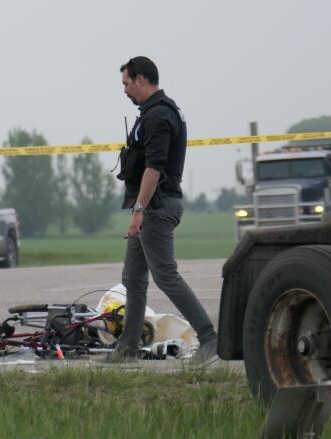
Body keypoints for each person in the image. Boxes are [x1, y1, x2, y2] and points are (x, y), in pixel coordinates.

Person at [101, 56, 218, 366]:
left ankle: (210, 339)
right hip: (149, 206)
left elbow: (154, 167)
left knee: (165, 276)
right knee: (133, 278)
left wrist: (139, 211)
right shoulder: (152, 113)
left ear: (142, 79)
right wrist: (138, 209)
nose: (124, 90)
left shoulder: (159, 115)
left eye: (126, 83)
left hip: (157, 206)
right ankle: (127, 349)